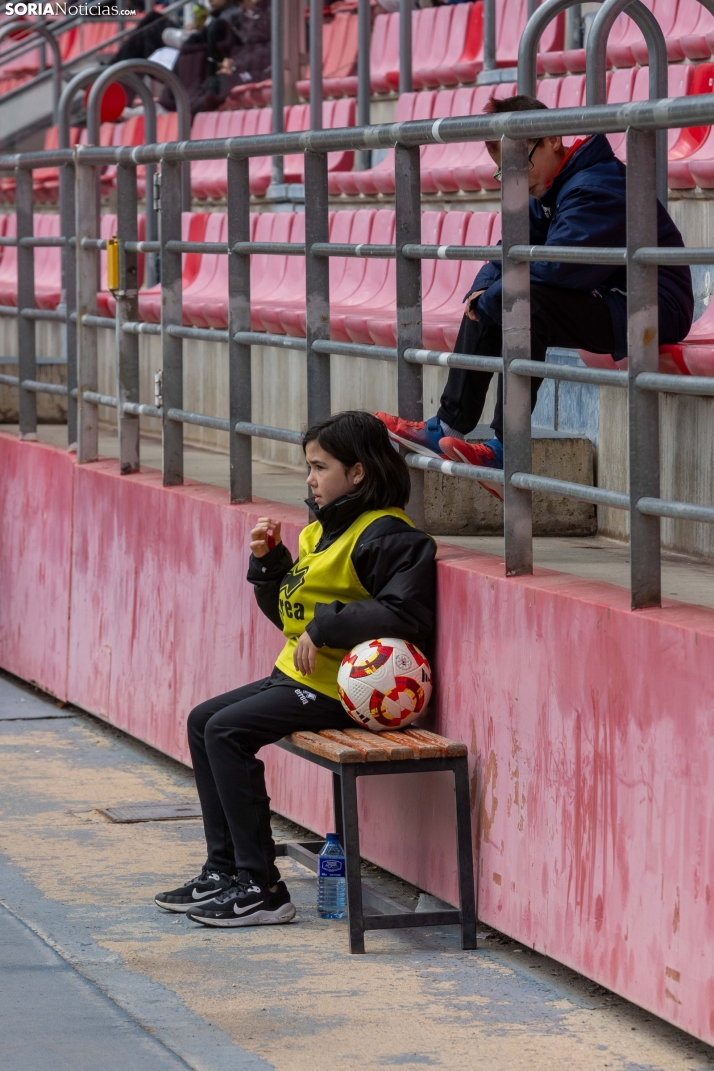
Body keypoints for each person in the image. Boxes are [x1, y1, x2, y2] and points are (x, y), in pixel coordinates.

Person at [155, 411, 436, 927]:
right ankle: (225, 872)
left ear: (357, 473)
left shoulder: (388, 536)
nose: (309, 479)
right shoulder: (319, 532)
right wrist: (270, 567)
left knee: (227, 731)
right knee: (203, 721)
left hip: (344, 691)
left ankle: (263, 888)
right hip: (300, 677)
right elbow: (292, 619)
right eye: (308, 467)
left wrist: (326, 627)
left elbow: (407, 615)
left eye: (319, 467)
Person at [376, 94, 694, 499]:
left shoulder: (599, 185)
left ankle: (506, 450)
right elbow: (508, 249)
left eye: (519, 163)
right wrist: (482, 291)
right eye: (503, 169)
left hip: (650, 308)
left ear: (553, 139)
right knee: (493, 297)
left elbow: (562, 269)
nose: (514, 177)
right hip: (608, 298)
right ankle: (449, 426)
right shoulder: (552, 184)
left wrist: (493, 295)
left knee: (518, 301)